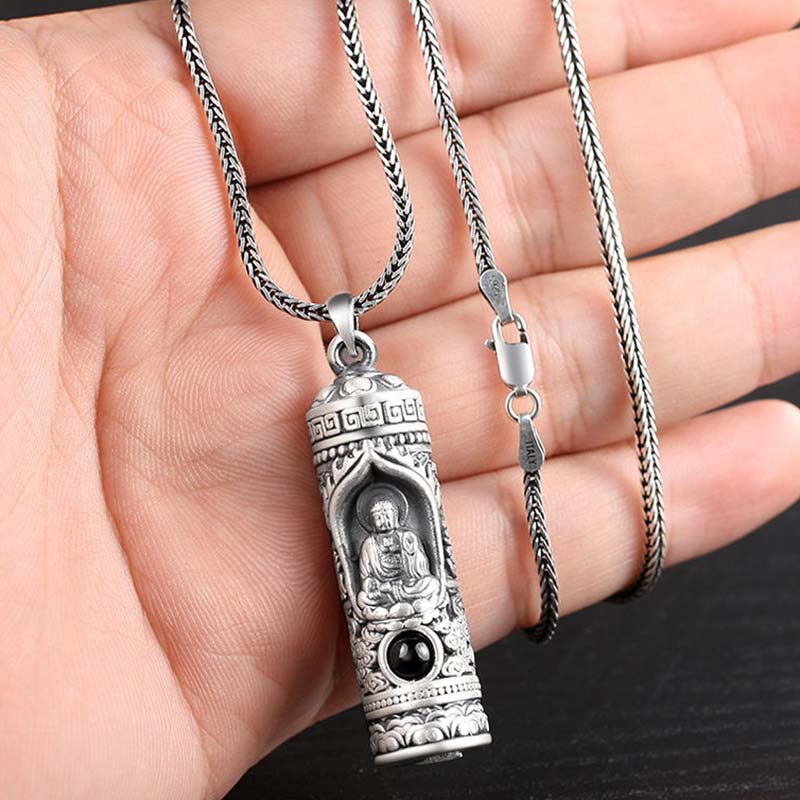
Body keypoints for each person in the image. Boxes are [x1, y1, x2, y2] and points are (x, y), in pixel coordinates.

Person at [1, 2, 799, 798]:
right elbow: (374, 575)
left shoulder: (401, 532)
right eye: (380, 520)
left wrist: (406, 578)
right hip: (385, 612)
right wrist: (389, 582)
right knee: (386, 596)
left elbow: (420, 564)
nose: (387, 527)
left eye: (387, 519)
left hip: (415, 604)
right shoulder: (367, 526)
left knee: (420, 586)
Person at [356, 496, 440, 615]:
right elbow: (366, 576)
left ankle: (393, 609)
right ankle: (411, 605)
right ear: (371, 521)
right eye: (378, 518)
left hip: (409, 585)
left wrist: (411, 553)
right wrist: (377, 586)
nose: (384, 521)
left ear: (395, 517)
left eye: (387, 516)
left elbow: (421, 569)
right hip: (385, 589)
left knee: (432, 583)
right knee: (362, 598)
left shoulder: (407, 537)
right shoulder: (369, 544)